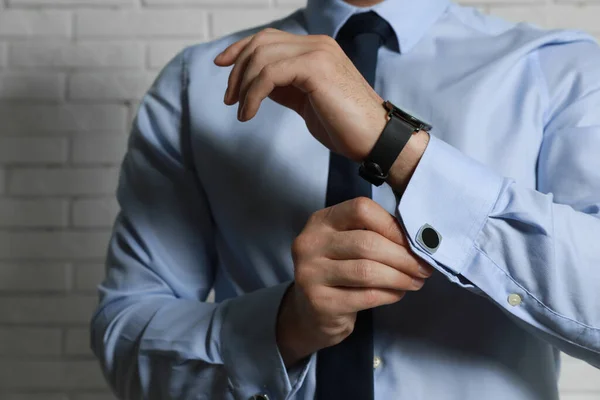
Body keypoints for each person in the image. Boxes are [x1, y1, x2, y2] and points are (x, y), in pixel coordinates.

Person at [90, 0, 600, 398]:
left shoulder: (558, 72)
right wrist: (284, 326)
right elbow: (125, 333)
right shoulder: (196, 85)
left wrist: (396, 146)